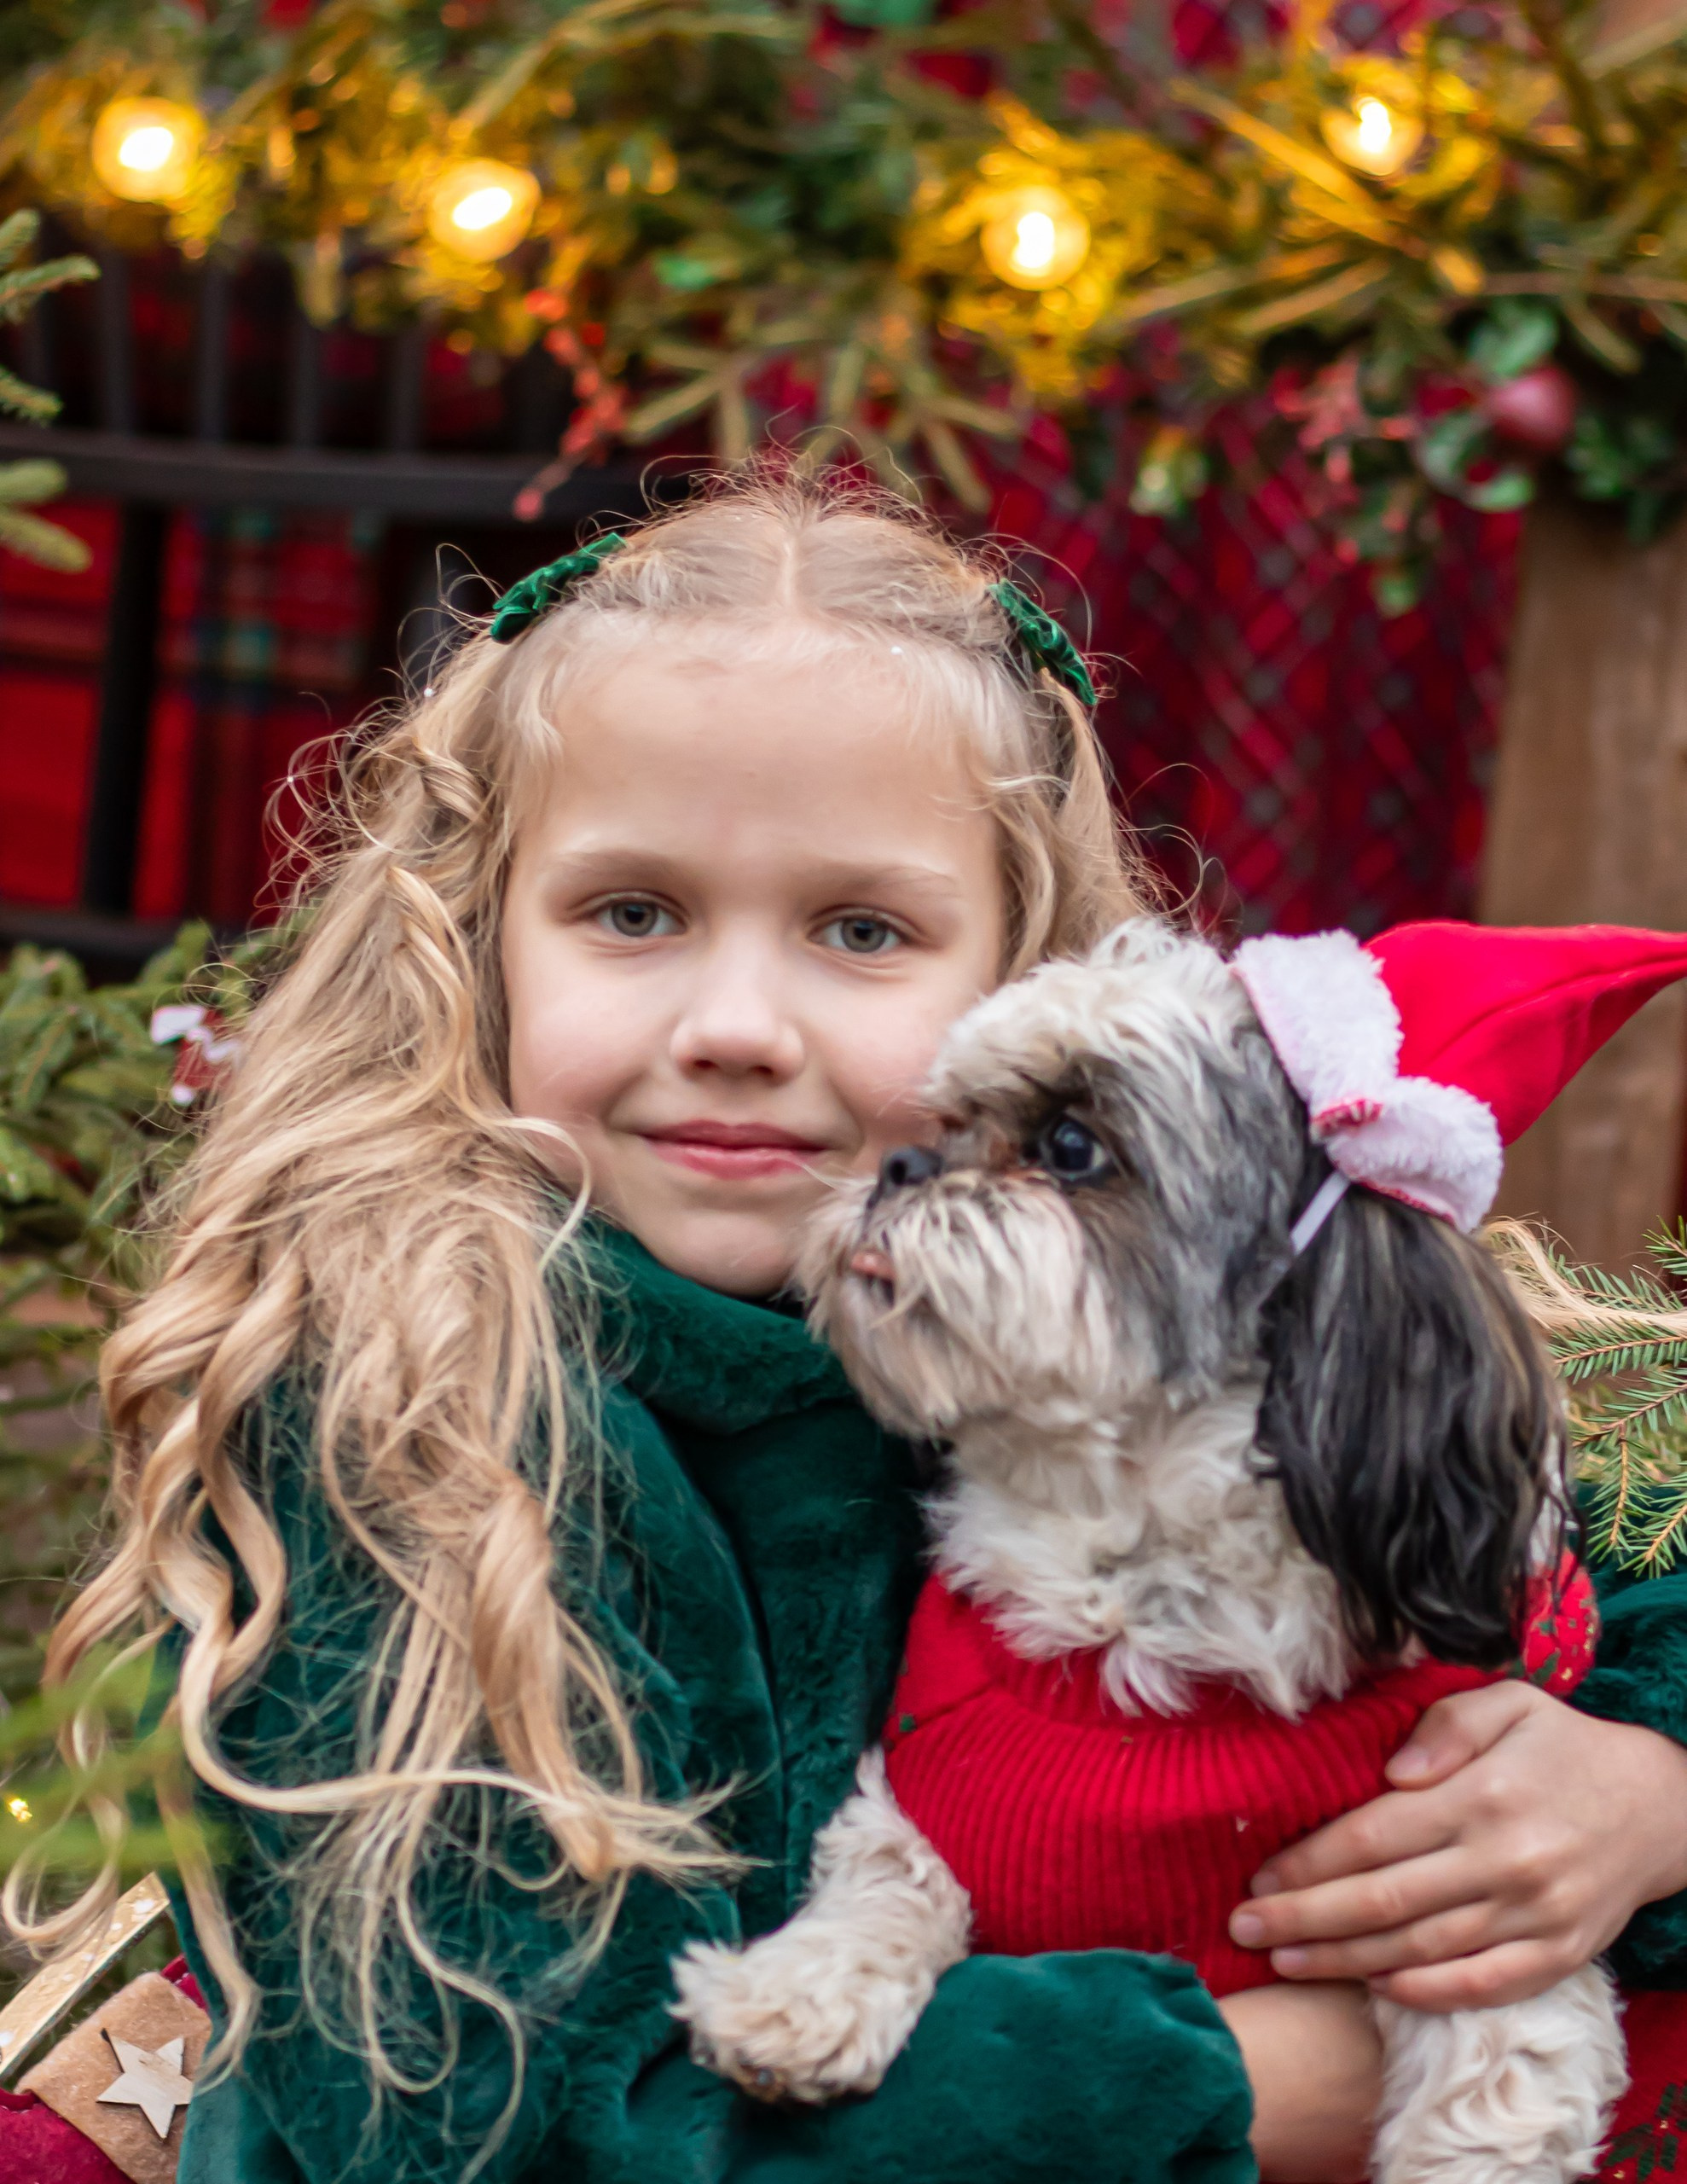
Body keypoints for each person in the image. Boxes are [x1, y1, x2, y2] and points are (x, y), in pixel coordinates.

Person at [11, 478, 1687, 2184]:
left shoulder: (1121, 1332)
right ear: (479, 940)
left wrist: (1639, 1791)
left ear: (1022, 970)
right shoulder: (406, 1419)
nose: (737, 1024)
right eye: (632, 911)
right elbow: (493, 2135)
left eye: (861, 929)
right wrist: (1231, 2086)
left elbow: (1557, 1567)